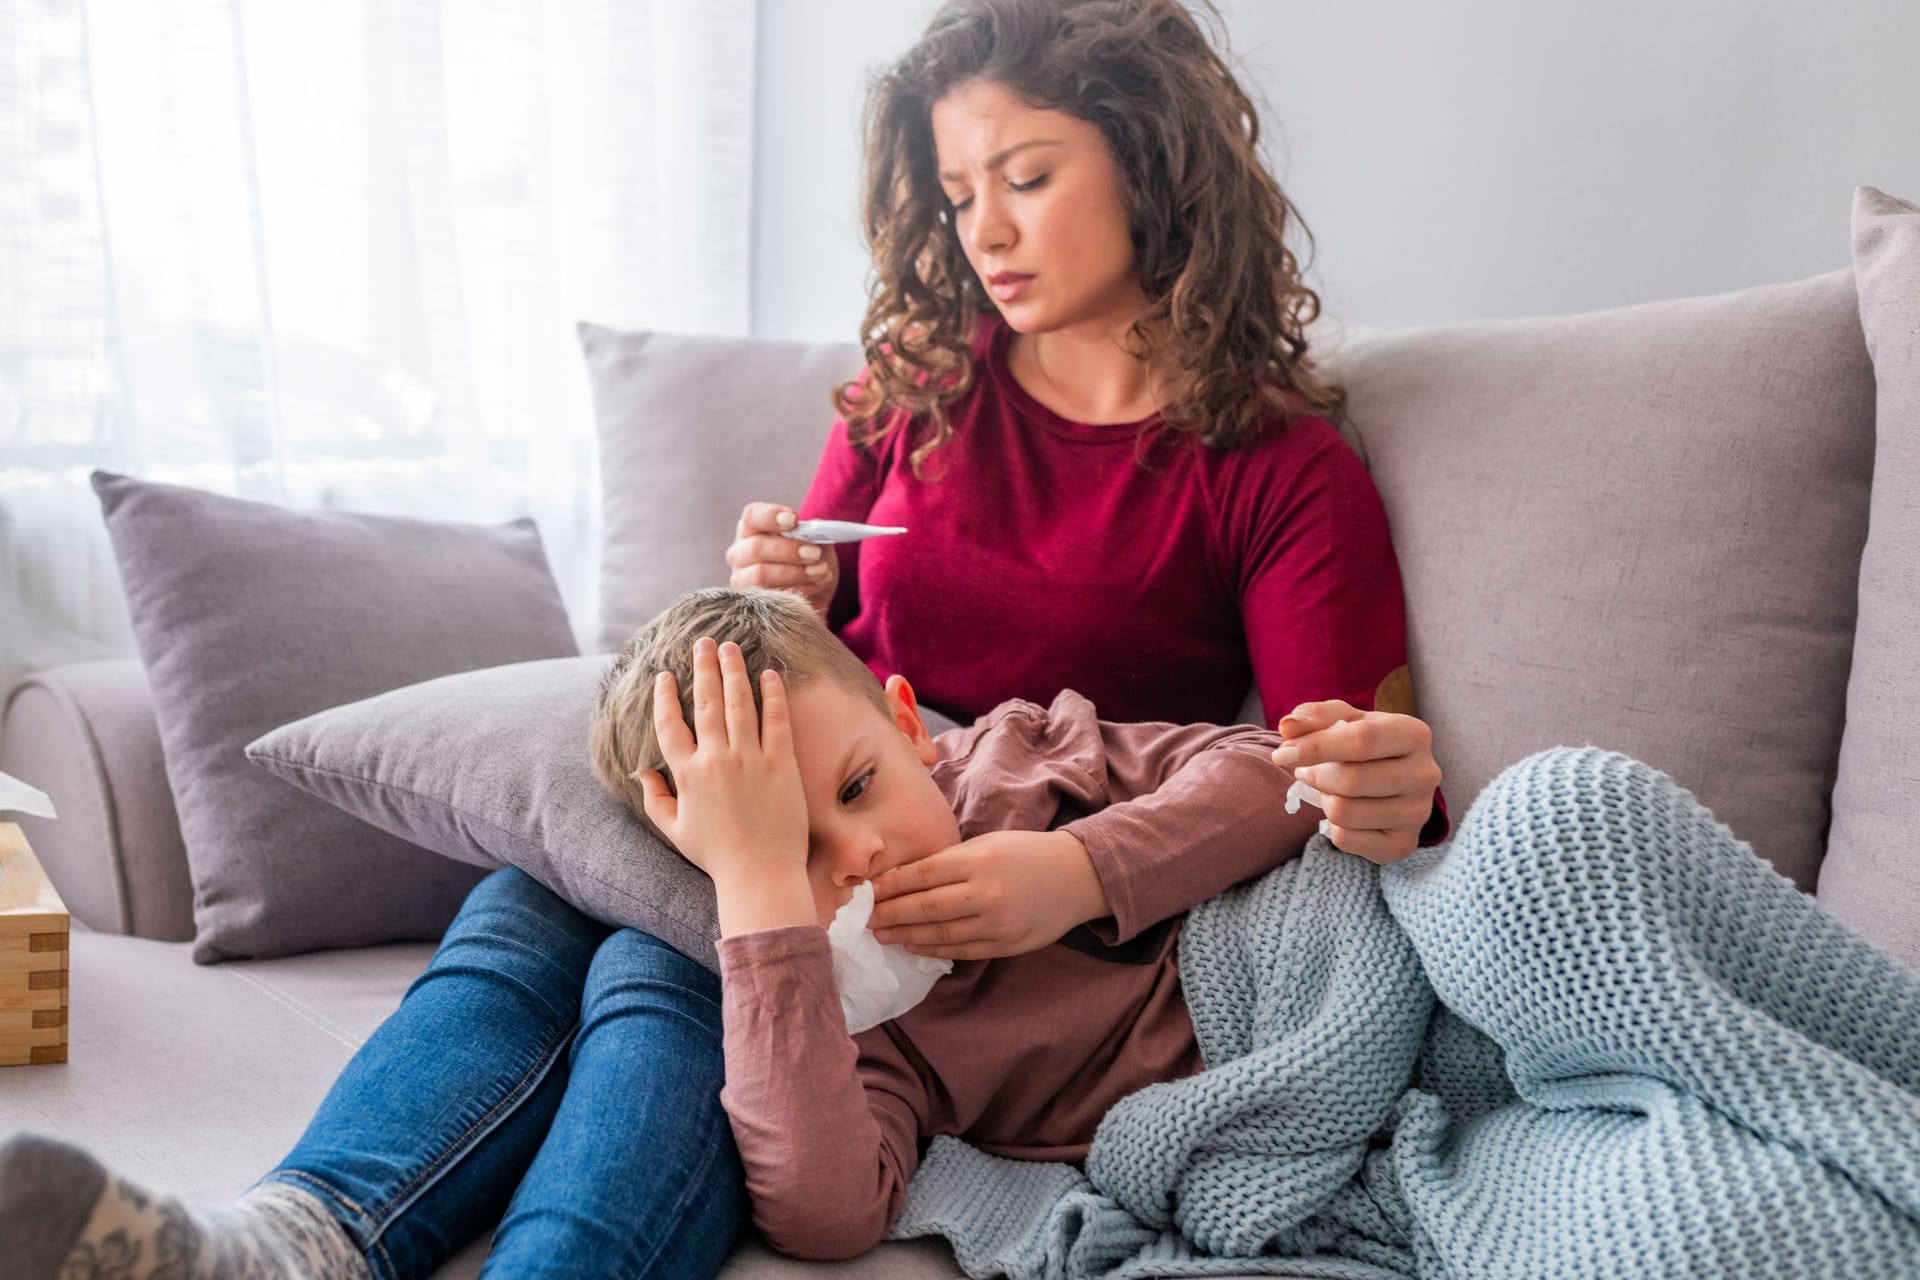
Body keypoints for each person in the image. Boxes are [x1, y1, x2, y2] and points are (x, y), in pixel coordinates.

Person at [0, 2, 1445, 1277]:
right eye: (955, 196)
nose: (982, 232)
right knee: (539, 883)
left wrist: (1078, 868)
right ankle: (298, 1237)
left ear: (1147, 161)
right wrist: (790, 604)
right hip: (830, 776)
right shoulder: (919, 390)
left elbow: (1324, 784)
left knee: (657, 960)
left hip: (1009, 843)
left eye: (1024, 177)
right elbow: (787, 657)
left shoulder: (1272, 466)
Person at [590, 587, 1324, 1260]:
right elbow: (828, 1213)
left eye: (857, 787)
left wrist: (1080, 871)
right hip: (1252, 1115)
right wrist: (760, 890)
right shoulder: (861, 1025)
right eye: (792, 850)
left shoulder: (1018, 763)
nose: (859, 854)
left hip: (1306, 957)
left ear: (907, 728)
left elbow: (1284, 773)